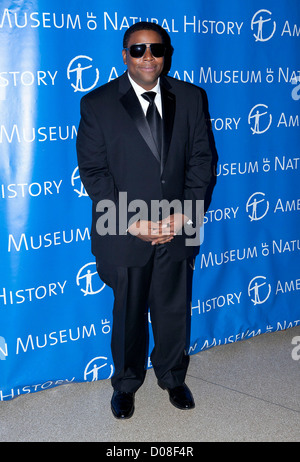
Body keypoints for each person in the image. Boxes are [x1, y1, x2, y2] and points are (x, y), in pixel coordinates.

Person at [76, 22, 212, 419]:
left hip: (176, 226)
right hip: (124, 232)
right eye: (138, 50)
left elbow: (202, 161)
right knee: (128, 315)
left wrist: (184, 213)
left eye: (156, 49)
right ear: (125, 55)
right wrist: (130, 221)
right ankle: (126, 383)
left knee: (173, 310)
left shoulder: (190, 98)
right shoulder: (97, 103)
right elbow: (94, 172)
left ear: (165, 53)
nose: (148, 56)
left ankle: (172, 376)